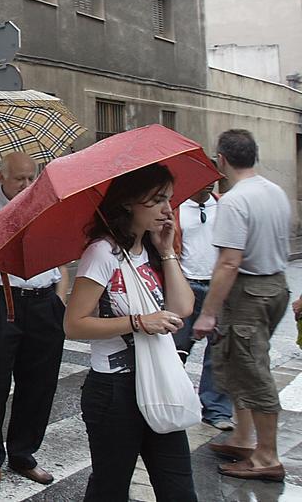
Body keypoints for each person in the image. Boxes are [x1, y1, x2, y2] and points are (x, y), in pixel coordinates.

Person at [64, 163, 196, 501]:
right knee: (110, 489)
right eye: (156, 200)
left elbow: (182, 308)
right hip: (115, 391)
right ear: (128, 203)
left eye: (169, 199)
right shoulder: (102, 253)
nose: (168, 210)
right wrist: (139, 322)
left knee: (178, 488)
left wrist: (167, 250)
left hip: (159, 380)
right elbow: (74, 323)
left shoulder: (151, 250)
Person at [0, 152, 69, 487]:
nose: (26, 184)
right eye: (19, 178)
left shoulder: (46, 205)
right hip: (0, 299)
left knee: (40, 382)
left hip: (43, 300)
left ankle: (23, 453)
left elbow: (61, 257)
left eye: (31, 177)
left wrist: (60, 300)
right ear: (1, 178)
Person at [192, 129, 292, 482]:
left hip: (249, 291)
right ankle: (243, 437)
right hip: (275, 285)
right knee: (238, 361)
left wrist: (207, 313)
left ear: (221, 159)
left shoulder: (234, 200)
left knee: (252, 369)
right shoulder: (273, 191)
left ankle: (266, 456)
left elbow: (229, 262)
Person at [171, 179, 234, 430]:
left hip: (218, 286)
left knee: (219, 351)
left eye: (213, 181)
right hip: (186, 284)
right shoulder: (176, 208)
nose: (208, 185)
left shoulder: (223, 206)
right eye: (203, 181)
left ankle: (216, 409)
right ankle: (171, 403)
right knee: (176, 348)